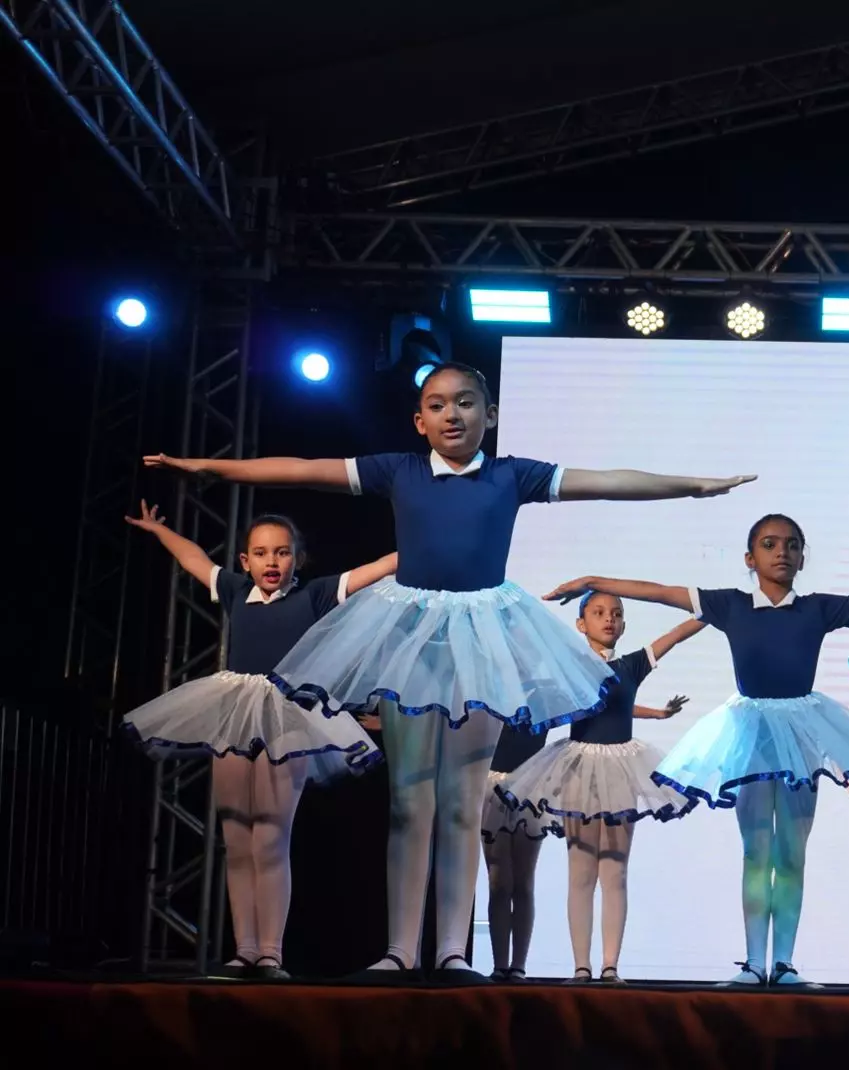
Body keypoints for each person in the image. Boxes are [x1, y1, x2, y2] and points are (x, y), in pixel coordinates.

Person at [143, 361, 755, 980]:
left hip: (481, 642)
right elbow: (304, 470)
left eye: (465, 403)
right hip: (410, 640)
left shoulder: (513, 475)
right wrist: (206, 468)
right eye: (437, 405)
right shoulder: (399, 471)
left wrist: (692, 485)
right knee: (410, 802)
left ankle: (453, 951)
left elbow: (607, 481)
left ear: (489, 415)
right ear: (419, 421)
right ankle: (399, 949)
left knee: (462, 804)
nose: (452, 414)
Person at [544, 513, 849, 987]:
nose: (781, 551)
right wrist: (594, 581)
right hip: (751, 733)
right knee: (755, 850)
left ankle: (783, 962)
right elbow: (660, 591)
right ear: (750, 557)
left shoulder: (818, 608)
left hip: (802, 733)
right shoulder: (731, 605)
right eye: (769, 543)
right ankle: (753, 963)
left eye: (792, 544)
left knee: (791, 852)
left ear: (803, 557)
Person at [121, 502, 394, 979]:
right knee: (237, 834)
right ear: (245, 561)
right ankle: (244, 948)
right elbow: (194, 560)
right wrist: (160, 530)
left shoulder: (314, 595)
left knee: (270, 836)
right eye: (261, 553)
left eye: (282, 553)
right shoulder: (233, 590)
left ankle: (271, 951)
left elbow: (375, 570)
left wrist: (426, 544)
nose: (272, 562)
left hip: (286, 716)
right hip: (234, 712)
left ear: (297, 559)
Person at [497, 593, 704, 984]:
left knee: (615, 871)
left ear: (623, 624)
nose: (609, 619)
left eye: (616, 614)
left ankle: (610, 965)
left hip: (621, 767)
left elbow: (677, 634)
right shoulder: (567, 666)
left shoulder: (632, 664)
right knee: (581, 872)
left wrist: (718, 611)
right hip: (579, 767)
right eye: (598, 613)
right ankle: (581, 967)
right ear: (581, 624)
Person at [481, 725, 547, 983]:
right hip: (491, 784)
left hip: (530, 786)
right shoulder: (492, 695)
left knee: (523, 881)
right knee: (498, 882)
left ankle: (518, 966)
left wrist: (657, 714)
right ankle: (499, 966)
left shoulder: (545, 698)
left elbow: (591, 703)